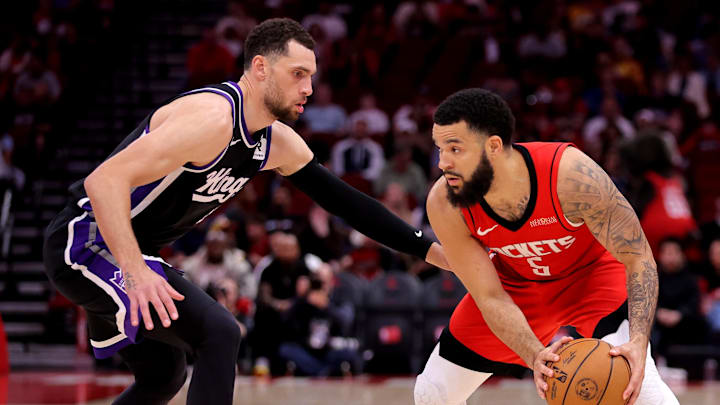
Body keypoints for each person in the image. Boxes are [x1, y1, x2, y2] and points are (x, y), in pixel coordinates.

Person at [42, 18, 447, 405]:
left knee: (163, 373)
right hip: (87, 241)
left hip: (128, 249)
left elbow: (349, 205)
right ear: (260, 68)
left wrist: (431, 251)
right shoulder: (211, 118)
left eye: (312, 76)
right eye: (297, 74)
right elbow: (103, 182)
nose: (308, 87)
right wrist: (135, 272)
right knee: (219, 332)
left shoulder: (275, 143)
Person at [414, 88, 678, 405]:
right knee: (433, 393)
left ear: (493, 146)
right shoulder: (445, 202)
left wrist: (638, 340)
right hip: (514, 286)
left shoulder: (571, 175)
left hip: (591, 278)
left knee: (642, 389)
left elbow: (639, 259)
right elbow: (489, 296)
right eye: (439, 149)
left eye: (455, 149)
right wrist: (534, 354)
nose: (443, 162)